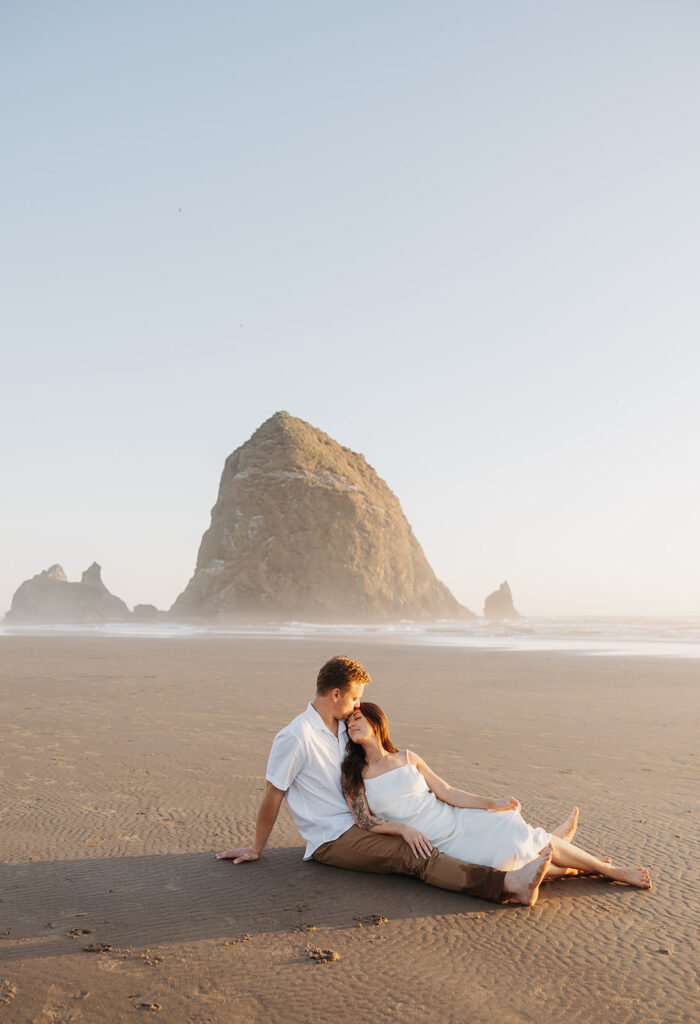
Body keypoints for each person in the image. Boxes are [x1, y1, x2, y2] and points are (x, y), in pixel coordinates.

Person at [217, 655, 553, 905]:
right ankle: (507, 886)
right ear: (335, 694)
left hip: (370, 818)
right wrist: (257, 848)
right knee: (413, 854)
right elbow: (273, 794)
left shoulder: (345, 729)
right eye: (354, 697)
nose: (358, 704)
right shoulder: (295, 736)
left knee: (447, 827)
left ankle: (537, 852)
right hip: (335, 835)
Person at [342, 702, 652, 889]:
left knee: (519, 837)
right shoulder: (354, 773)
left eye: (358, 719)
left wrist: (493, 804)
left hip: (459, 821)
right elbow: (364, 821)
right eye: (348, 723)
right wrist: (404, 829)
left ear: (375, 721)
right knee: (508, 864)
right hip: (436, 842)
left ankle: (609, 870)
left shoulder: (408, 758)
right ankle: (572, 856)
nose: (352, 724)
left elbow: (447, 792)